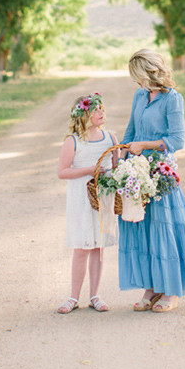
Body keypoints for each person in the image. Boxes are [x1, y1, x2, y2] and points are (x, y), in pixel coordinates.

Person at [119, 49, 185, 312]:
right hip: (136, 171)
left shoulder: (173, 99)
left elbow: (177, 140)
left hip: (160, 171)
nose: (135, 82)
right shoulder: (139, 95)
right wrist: (120, 158)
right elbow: (131, 130)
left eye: (137, 76)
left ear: (149, 73)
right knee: (142, 228)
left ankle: (171, 290)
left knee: (164, 228)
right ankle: (152, 287)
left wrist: (143, 145)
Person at [56, 92, 118, 314]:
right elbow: (62, 172)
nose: (102, 113)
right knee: (82, 247)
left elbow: (116, 167)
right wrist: (88, 170)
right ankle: (73, 297)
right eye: (96, 110)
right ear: (84, 116)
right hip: (81, 199)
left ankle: (95, 295)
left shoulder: (111, 138)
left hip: (102, 199)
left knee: (98, 247)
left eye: (102, 108)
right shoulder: (73, 141)